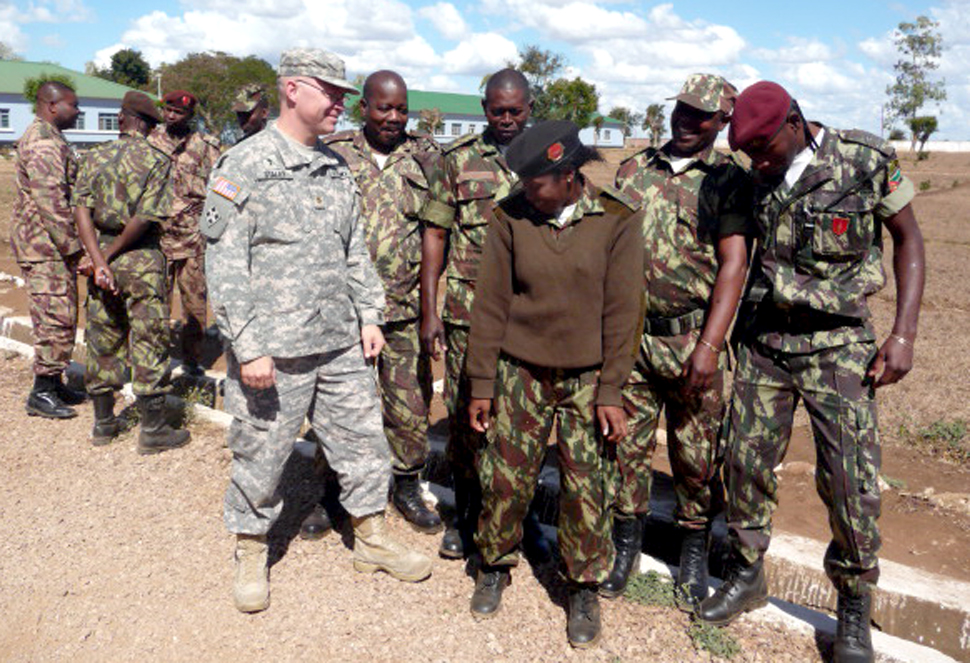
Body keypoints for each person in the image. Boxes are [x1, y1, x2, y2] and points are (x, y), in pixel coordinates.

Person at [696, 81, 925, 663]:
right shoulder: (754, 174)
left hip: (838, 345)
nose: (760, 161)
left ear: (796, 121)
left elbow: (909, 240)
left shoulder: (863, 159)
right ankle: (748, 574)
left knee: (850, 481)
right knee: (745, 462)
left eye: (767, 148)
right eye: (749, 153)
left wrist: (903, 333)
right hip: (766, 340)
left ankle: (853, 609)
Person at [201, 47, 432, 615]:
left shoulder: (334, 166)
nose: (340, 105)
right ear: (293, 90)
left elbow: (354, 249)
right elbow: (225, 267)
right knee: (262, 453)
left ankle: (371, 537)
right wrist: (248, 347)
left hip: (339, 343)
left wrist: (370, 315)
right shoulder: (244, 166)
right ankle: (251, 548)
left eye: (343, 95)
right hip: (274, 354)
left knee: (363, 444)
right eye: (331, 93)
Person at [465, 121, 643, 648]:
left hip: (587, 378)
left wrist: (612, 389)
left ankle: (582, 585)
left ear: (567, 176)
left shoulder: (616, 220)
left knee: (587, 485)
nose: (525, 190)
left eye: (534, 182)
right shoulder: (510, 216)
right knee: (505, 475)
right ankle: (494, 562)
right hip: (521, 370)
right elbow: (491, 302)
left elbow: (624, 310)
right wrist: (481, 383)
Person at [602, 74, 751, 607]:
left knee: (695, 455)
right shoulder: (634, 170)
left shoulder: (730, 179)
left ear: (721, 122)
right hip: (631, 340)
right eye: (681, 111)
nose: (686, 122)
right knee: (626, 448)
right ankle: (625, 546)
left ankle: (693, 552)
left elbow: (734, 263)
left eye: (700, 115)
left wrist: (711, 345)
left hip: (692, 340)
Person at [419, 67, 547, 561]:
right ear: (484, 108)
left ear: (530, 107)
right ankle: (467, 515)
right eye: (498, 110)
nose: (508, 119)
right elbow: (436, 234)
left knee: (526, 422)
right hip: (467, 314)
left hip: (532, 315)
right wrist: (430, 311)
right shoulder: (458, 159)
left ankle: (522, 516)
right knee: (465, 419)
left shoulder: (549, 155)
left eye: (516, 110)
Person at [323, 70, 443, 534]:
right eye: (383, 108)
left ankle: (407, 485)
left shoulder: (426, 158)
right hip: (342, 310)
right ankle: (330, 488)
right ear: (364, 108)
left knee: (409, 406)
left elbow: (438, 230)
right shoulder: (333, 154)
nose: (393, 118)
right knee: (337, 405)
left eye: (401, 109)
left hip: (404, 309)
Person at [72, 91, 191, 453]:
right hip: (139, 258)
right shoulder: (157, 160)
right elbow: (145, 217)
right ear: (148, 125)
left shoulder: (93, 157)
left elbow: (81, 210)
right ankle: (153, 430)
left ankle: (104, 424)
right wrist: (108, 255)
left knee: (102, 335)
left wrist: (98, 259)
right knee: (149, 338)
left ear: (123, 119)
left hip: (101, 256)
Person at [11, 80, 85, 419]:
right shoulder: (43, 143)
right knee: (54, 317)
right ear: (53, 106)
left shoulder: (51, 136)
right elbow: (52, 202)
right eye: (74, 105)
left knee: (61, 314)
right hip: (46, 247)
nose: (79, 111)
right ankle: (41, 392)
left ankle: (54, 383)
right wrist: (75, 249)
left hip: (47, 245)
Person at [149, 90, 221, 375]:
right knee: (156, 300)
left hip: (193, 238)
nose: (171, 116)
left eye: (178, 113)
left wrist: (213, 229)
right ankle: (154, 357)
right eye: (167, 110)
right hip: (157, 236)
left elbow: (221, 188)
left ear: (190, 116)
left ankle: (192, 360)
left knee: (194, 302)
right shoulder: (151, 141)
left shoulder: (205, 146)